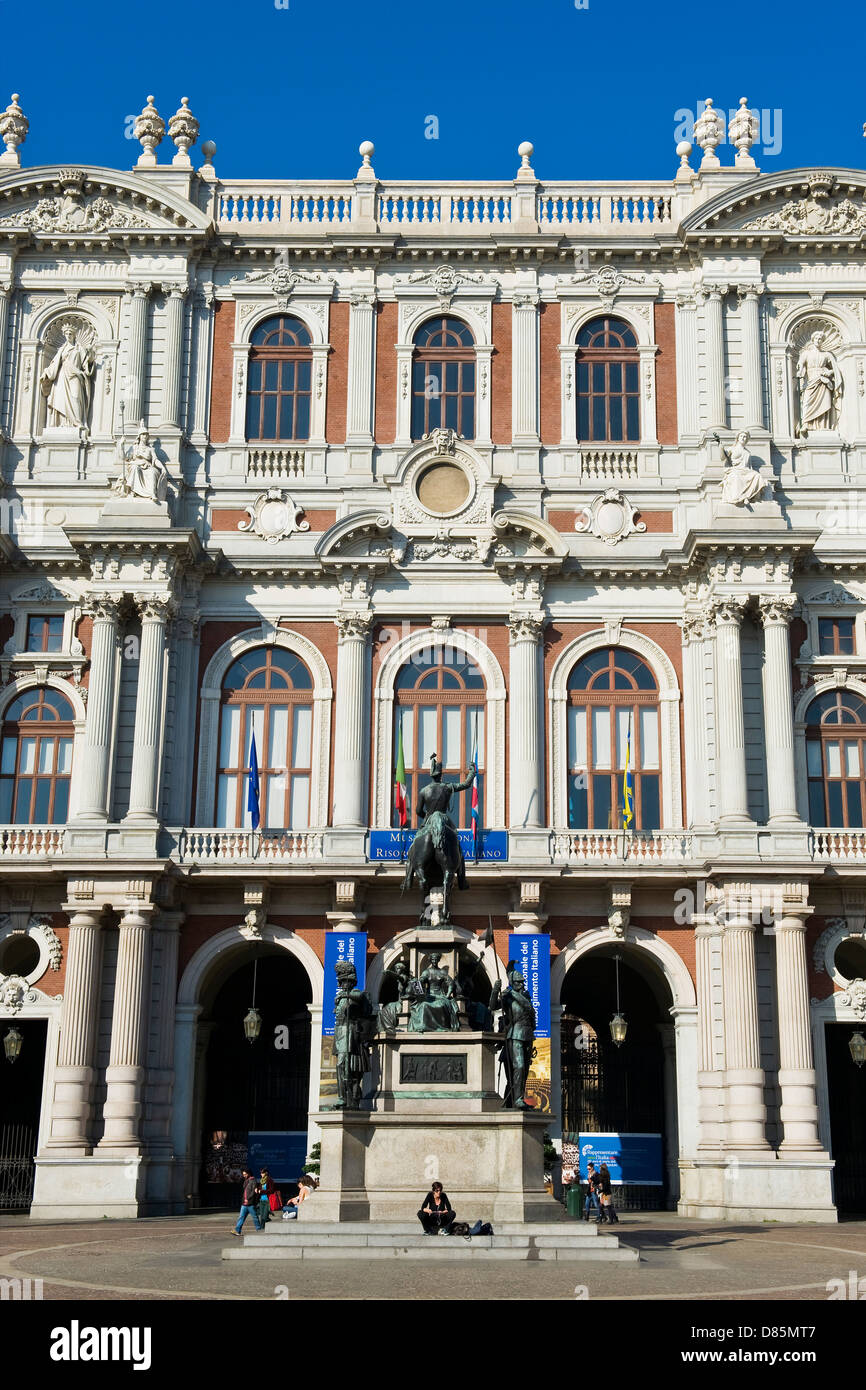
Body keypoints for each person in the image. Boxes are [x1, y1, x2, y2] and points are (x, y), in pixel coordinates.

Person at [233, 1168, 263, 1236]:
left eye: (245, 1174)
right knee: (241, 1217)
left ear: (249, 1173)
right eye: (243, 1174)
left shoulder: (253, 1181)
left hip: (250, 1203)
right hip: (244, 1203)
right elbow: (245, 1191)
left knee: (255, 1217)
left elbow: (253, 1192)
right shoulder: (246, 1180)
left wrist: (248, 1199)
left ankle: (259, 1230)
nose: (244, 1175)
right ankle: (237, 1230)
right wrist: (244, 1199)